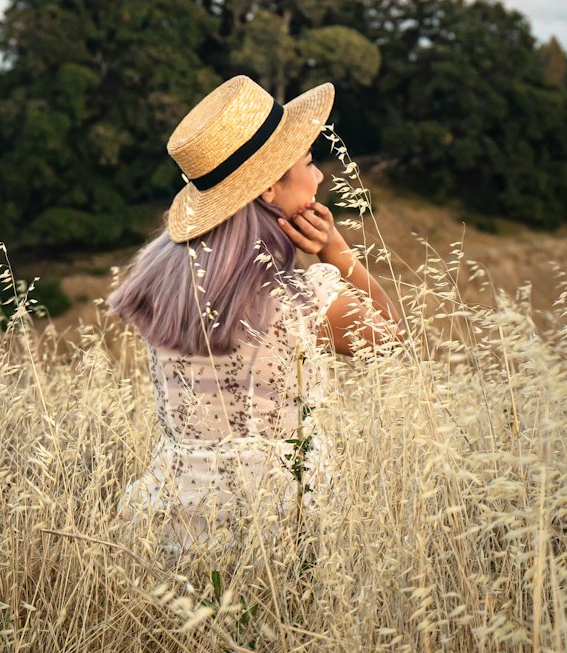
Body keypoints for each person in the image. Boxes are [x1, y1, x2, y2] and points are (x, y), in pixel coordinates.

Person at [107, 75, 405, 550]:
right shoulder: (299, 302)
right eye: (309, 162)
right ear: (269, 189)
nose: (320, 176)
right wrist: (337, 252)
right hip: (279, 527)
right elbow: (391, 335)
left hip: (172, 526)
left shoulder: (163, 286)